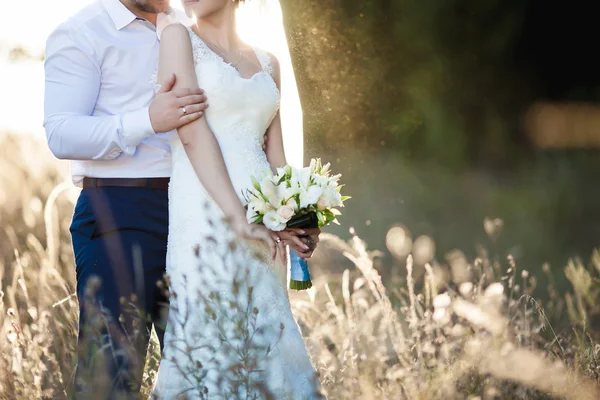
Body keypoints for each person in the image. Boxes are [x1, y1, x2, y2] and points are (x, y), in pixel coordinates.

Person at [43, 0, 319, 397]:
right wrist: (147, 121)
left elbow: (257, 142)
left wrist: (294, 211)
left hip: (192, 208)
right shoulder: (83, 32)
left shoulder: (187, 28)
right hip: (122, 211)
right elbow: (61, 134)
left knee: (215, 355)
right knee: (111, 371)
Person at [151, 0, 323, 398]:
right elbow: (192, 135)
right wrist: (238, 219)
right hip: (207, 213)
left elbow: (276, 157)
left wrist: (298, 218)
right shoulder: (178, 38)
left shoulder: (269, 62)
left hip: (263, 225)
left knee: (267, 336)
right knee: (207, 338)